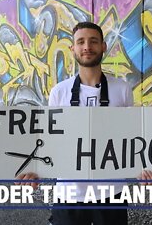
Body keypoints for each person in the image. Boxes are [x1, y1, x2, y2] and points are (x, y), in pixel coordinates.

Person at [17, 22, 139, 225]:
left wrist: (145, 168)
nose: (87, 47)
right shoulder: (59, 92)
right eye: (80, 42)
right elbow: (51, 139)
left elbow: (132, 137)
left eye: (93, 41)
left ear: (103, 46)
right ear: (72, 48)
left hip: (112, 192)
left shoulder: (123, 89)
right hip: (69, 193)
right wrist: (36, 170)